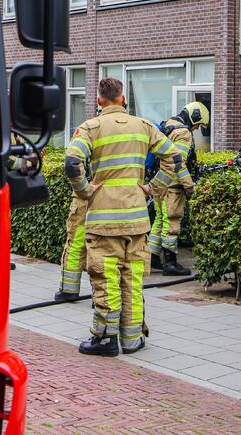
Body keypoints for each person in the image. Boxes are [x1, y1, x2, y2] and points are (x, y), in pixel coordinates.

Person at [64, 77, 184, 357]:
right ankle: (132, 339)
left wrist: (84, 190)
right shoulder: (144, 126)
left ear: (99, 100)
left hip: (104, 221)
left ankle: (106, 339)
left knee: (106, 279)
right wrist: (154, 188)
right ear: (124, 98)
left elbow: (72, 162)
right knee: (132, 280)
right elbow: (175, 158)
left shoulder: (91, 128)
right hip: (137, 220)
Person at [149, 101, 208, 276]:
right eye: (198, 125)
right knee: (171, 221)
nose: (197, 129)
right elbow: (178, 163)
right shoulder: (183, 133)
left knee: (160, 220)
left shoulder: (168, 125)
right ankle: (170, 263)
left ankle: (152, 256)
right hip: (172, 186)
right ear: (194, 117)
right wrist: (189, 187)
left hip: (159, 182)